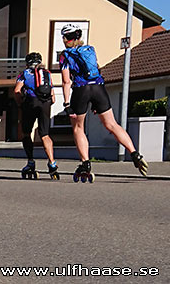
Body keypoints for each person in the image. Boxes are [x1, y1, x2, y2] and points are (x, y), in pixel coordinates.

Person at [59, 23, 149, 181]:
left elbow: (66, 81)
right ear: (79, 37)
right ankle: (135, 153)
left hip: (81, 89)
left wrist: (66, 103)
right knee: (112, 124)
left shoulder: (65, 55)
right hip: (99, 88)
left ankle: (85, 163)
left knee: (78, 128)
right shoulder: (89, 50)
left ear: (66, 39)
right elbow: (97, 70)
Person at [14, 52, 59, 180]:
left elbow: (17, 91)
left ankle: (30, 162)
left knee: (26, 133)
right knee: (45, 135)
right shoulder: (46, 74)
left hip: (30, 103)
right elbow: (54, 98)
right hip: (45, 104)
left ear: (27, 63)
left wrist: (20, 104)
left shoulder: (24, 74)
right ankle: (52, 163)